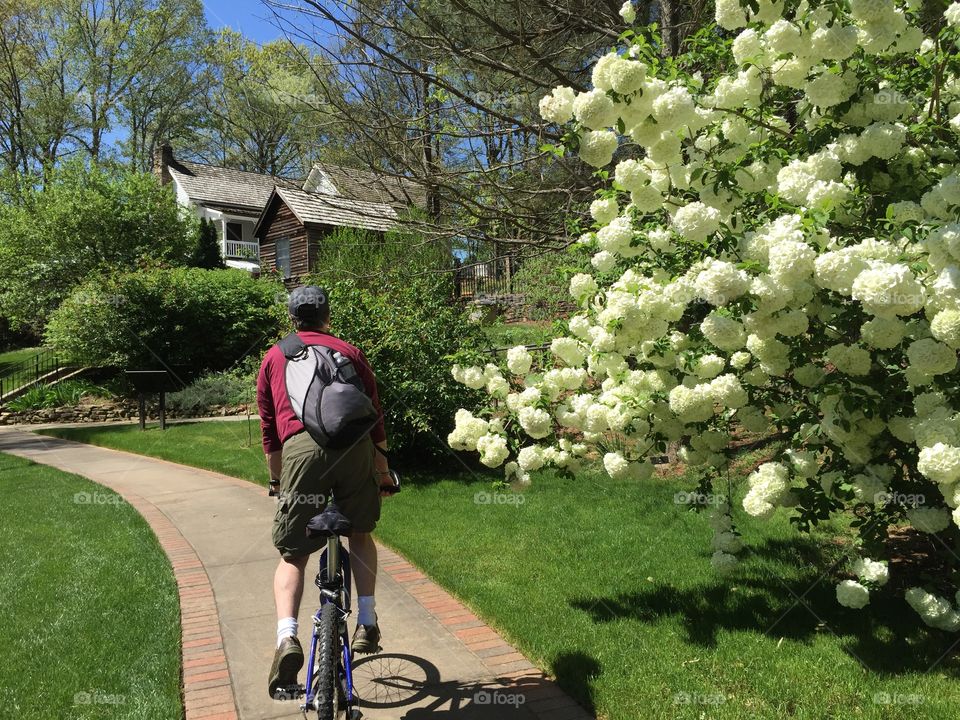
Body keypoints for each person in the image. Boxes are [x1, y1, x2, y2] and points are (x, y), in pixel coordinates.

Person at [257, 285, 391, 699]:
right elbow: (374, 415)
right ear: (327, 316)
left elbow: (269, 429)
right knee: (360, 534)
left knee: (293, 554)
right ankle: (366, 622)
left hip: (301, 452)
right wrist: (382, 471)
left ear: (292, 318)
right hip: (354, 449)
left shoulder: (275, 357)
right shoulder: (349, 352)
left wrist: (278, 481)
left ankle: (287, 637)